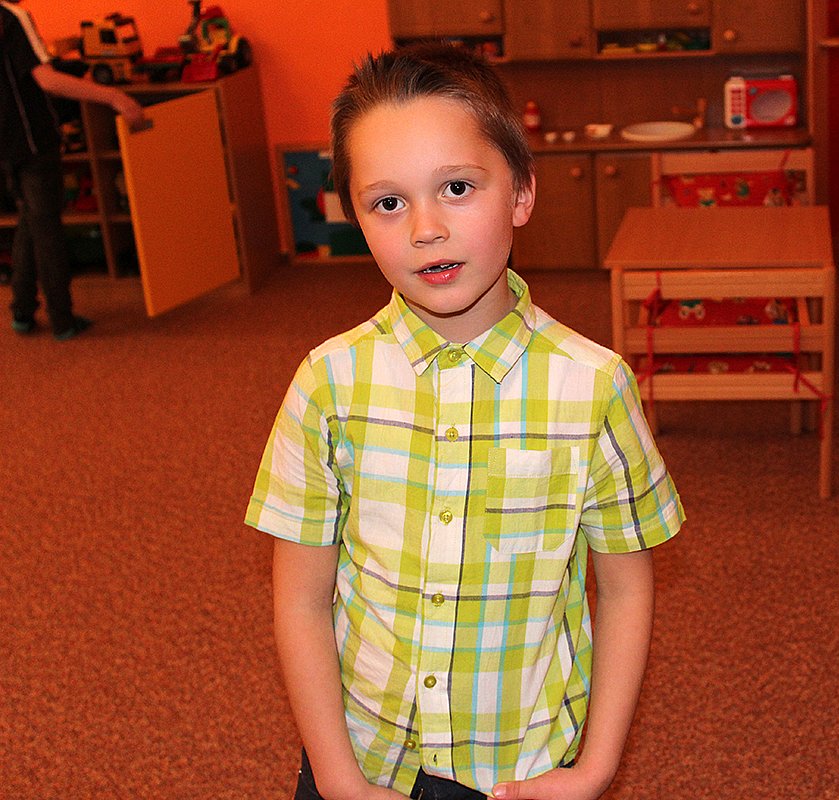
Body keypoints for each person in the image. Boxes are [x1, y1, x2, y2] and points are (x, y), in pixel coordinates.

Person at [245, 43, 685, 800]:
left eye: (456, 188)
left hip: (519, 768)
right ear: (356, 218)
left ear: (521, 193)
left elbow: (624, 589)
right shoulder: (327, 383)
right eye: (389, 203)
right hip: (363, 760)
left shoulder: (594, 385)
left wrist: (596, 768)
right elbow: (301, 598)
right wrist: (340, 780)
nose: (425, 229)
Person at [1, 0, 147, 340]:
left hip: (7, 146)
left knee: (30, 219)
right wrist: (112, 96)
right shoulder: (12, 17)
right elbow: (46, 79)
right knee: (46, 228)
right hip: (33, 141)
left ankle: (22, 310)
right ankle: (62, 318)